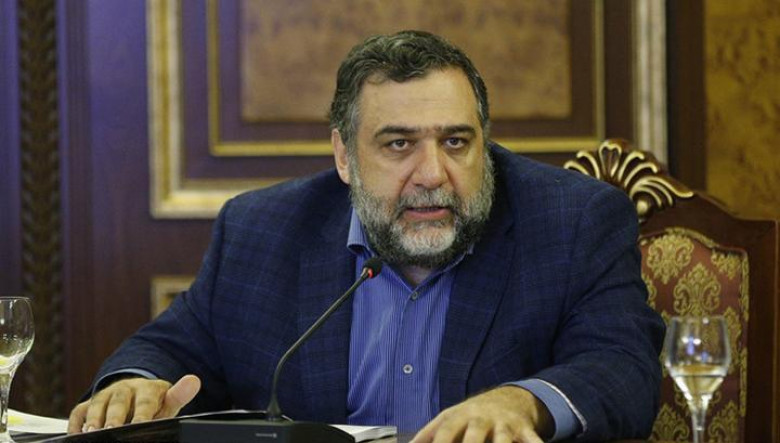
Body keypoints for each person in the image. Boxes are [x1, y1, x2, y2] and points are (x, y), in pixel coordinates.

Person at [68, 30, 664, 442]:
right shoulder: (261, 230)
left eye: (456, 142)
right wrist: (134, 385)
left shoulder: (572, 220)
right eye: (399, 144)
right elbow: (172, 349)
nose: (433, 174)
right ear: (344, 156)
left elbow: (623, 367)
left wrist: (523, 401)